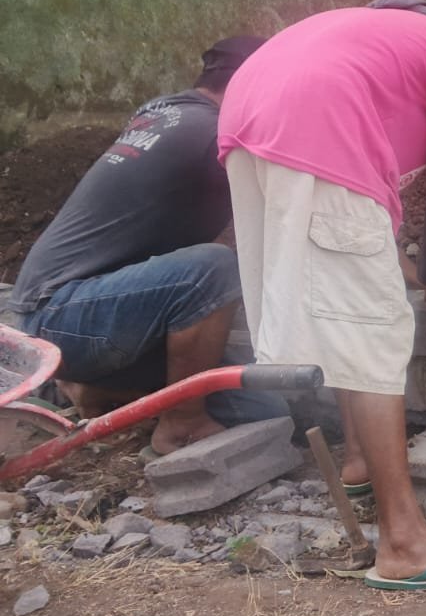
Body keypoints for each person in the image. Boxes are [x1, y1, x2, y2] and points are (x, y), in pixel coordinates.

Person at [218, 0, 426, 590]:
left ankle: (359, 461)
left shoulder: (399, 31)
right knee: (376, 327)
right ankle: (405, 540)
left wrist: (410, 267)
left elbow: (371, 196)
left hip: (250, 114)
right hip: (315, 122)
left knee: (342, 310)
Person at [5, 37, 282, 454]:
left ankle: (93, 386)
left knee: (265, 406)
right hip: (64, 312)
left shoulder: (166, 115)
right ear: (252, 84)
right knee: (213, 269)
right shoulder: (214, 132)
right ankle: (183, 424)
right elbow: (283, 214)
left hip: (65, 317)